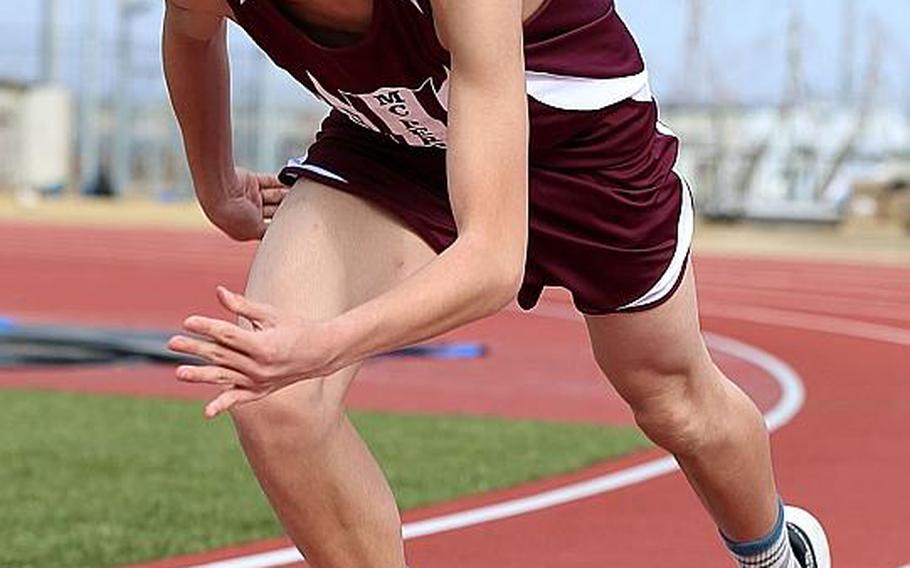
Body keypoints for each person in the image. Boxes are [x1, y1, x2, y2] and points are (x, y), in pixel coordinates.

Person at [163, 1, 831, 566]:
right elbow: (190, 33)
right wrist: (217, 186)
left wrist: (327, 342)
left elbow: (491, 260)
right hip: (398, 144)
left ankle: (777, 552)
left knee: (672, 399)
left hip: (579, 146)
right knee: (278, 401)